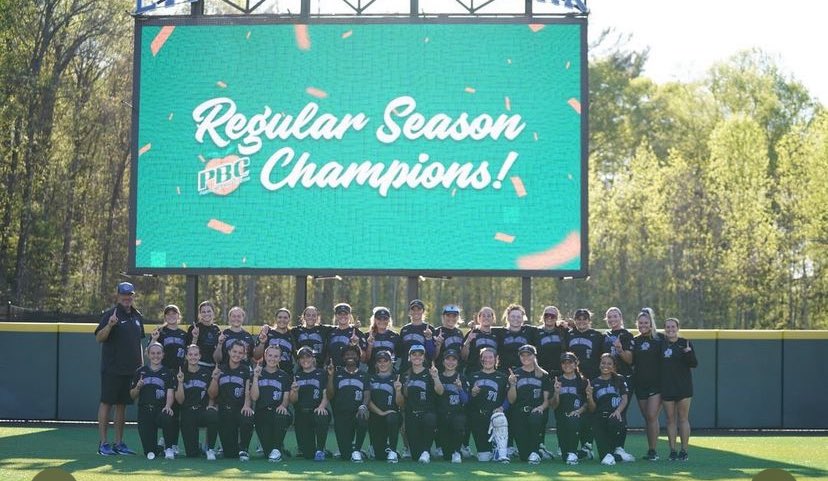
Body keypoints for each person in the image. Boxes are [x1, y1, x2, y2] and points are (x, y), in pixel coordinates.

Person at [95, 281, 145, 456]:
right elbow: (99, 338)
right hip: (112, 368)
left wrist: (141, 366)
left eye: (129, 294)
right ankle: (103, 444)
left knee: (122, 406)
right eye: (124, 294)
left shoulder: (137, 316)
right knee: (107, 403)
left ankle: (118, 443)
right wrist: (109, 325)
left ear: (133, 296)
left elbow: (138, 342)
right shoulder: (111, 314)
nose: (127, 298)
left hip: (131, 370)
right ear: (118, 296)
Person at [564, 308, 604, 459]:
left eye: (584, 318)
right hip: (573, 379)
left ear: (589, 320)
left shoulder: (598, 336)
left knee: (589, 412)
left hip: (591, 379)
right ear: (574, 320)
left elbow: (604, 358)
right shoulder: (569, 334)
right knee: (573, 410)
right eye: (578, 319)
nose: (581, 321)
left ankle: (587, 445)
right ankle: (570, 446)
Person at [150, 304, 188, 455]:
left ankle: (173, 443)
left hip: (178, 374)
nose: (171, 316)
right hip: (162, 374)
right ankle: (164, 439)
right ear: (165, 316)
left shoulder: (183, 334)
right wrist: (153, 340)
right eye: (168, 314)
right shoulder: (160, 332)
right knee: (164, 407)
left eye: (174, 314)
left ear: (179, 316)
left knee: (176, 410)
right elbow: (151, 351)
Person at [207, 341, 254, 461]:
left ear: (244, 355)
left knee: (247, 416)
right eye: (234, 351)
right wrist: (214, 379)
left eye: (240, 353)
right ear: (229, 352)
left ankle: (244, 449)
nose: (237, 355)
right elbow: (212, 394)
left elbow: (248, 391)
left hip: (238, 409)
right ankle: (221, 447)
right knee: (230, 454)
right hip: (223, 411)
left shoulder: (246, 370)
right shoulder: (220, 369)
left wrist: (247, 405)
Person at [586, 353, 635, 466]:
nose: (605, 366)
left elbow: (625, 399)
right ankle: (619, 455)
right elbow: (592, 409)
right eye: (603, 363)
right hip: (599, 420)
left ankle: (615, 451)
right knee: (604, 458)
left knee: (615, 421)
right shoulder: (594, 383)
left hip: (614, 417)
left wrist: (618, 411)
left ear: (614, 366)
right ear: (599, 364)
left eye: (609, 363)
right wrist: (589, 396)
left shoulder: (620, 379)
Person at [130, 342, 176, 460]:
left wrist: (168, 405)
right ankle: (158, 448)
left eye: (158, 353)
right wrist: (138, 387)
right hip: (145, 411)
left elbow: (170, 393)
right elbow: (132, 395)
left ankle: (169, 448)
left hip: (160, 409)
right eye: (153, 353)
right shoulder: (140, 371)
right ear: (148, 355)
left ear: (163, 354)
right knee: (150, 452)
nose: (156, 356)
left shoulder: (168, 372)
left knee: (167, 415)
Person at [507, 345, 551, 464]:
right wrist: (512, 385)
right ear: (520, 357)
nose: (526, 357)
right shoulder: (515, 374)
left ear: (534, 356)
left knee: (535, 419)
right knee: (524, 456)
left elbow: (547, 400)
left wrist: (541, 408)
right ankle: (538, 451)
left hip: (536, 412)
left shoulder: (543, 375)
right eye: (523, 355)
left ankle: (536, 451)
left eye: (529, 355)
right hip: (519, 413)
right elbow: (511, 400)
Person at [661, 317, 697, 461]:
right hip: (667, 387)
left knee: (683, 419)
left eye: (673, 327)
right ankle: (672, 451)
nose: (671, 329)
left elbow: (694, 364)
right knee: (670, 420)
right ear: (664, 329)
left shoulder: (685, 343)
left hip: (683, 387)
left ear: (678, 328)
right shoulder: (661, 344)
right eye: (668, 327)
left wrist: (688, 352)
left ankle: (684, 450)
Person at [327, 344, 370, 463]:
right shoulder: (337, 374)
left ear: (358, 357)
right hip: (341, 415)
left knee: (362, 416)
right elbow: (330, 395)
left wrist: (363, 406)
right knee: (345, 456)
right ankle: (350, 448)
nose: (350, 357)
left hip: (357, 413)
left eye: (353, 354)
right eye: (347, 355)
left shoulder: (364, 375)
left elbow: (367, 394)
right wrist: (330, 376)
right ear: (343, 358)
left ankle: (357, 450)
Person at [175, 344, 219, 460]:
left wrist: (214, 379)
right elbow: (180, 400)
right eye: (190, 354)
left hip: (202, 410)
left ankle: (209, 448)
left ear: (200, 356)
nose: (193, 357)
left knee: (213, 414)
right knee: (191, 454)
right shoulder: (181, 373)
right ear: (186, 356)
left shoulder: (206, 372)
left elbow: (212, 394)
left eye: (196, 354)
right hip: (187, 412)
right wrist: (180, 382)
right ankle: (197, 447)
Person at [250, 345, 293, 462]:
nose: (272, 359)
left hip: (277, 413)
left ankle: (277, 448)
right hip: (262, 414)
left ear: (280, 359)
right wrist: (255, 377)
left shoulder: (284, 376)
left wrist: (283, 406)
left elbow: (286, 398)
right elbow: (254, 397)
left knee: (282, 414)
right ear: (265, 356)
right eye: (270, 355)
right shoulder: (258, 373)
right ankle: (278, 449)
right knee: (268, 453)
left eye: (276, 356)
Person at [400, 344, 441, 463]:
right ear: (409, 357)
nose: (417, 357)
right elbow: (402, 401)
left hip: (427, 412)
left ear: (424, 357)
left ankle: (427, 450)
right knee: (415, 456)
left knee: (430, 418)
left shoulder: (430, 373)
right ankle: (423, 451)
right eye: (414, 354)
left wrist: (436, 378)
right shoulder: (405, 375)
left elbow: (440, 391)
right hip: (412, 414)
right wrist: (398, 390)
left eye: (420, 354)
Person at [466, 347, 509, 462]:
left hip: (494, 416)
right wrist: (472, 394)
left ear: (496, 359)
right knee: (484, 457)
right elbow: (466, 401)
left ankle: (501, 451)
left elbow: (508, 398)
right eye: (484, 357)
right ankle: (493, 451)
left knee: (500, 418)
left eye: (490, 357)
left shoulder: (503, 377)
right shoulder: (472, 376)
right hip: (478, 417)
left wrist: (502, 407)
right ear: (481, 360)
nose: (487, 360)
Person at [632, 307, 663, 461]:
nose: (643, 325)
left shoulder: (660, 339)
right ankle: (651, 450)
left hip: (656, 385)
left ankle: (653, 450)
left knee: (651, 416)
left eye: (646, 322)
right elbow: (630, 361)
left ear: (651, 323)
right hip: (640, 384)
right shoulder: (635, 340)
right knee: (648, 418)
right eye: (640, 323)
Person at [602, 307, 634, 455]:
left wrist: (620, 349)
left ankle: (619, 448)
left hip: (623, 379)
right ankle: (609, 447)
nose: (612, 319)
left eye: (615, 316)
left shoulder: (626, 335)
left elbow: (630, 359)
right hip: (606, 379)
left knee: (621, 412)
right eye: (609, 317)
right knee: (607, 412)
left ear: (621, 317)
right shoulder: (605, 335)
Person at [290, 345, 331, 461]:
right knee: (308, 454)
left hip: (316, 411)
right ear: (298, 360)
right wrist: (294, 391)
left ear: (313, 358)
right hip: (302, 415)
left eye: (308, 357)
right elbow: (293, 401)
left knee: (321, 415)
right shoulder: (296, 375)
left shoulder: (321, 373)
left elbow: (326, 393)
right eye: (302, 358)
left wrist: (322, 406)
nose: (305, 360)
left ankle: (321, 449)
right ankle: (314, 449)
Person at [367, 350, 404, 463]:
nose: (383, 364)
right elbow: (367, 401)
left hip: (391, 417)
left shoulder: (397, 378)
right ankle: (378, 447)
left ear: (390, 363)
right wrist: (380, 412)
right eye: (380, 361)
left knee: (392, 416)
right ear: (376, 364)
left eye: (385, 361)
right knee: (380, 456)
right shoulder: (370, 378)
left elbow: (401, 404)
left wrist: (398, 391)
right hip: (375, 416)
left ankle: (392, 450)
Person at [552, 352, 588, 465]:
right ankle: (583, 452)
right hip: (562, 419)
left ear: (576, 363)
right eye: (564, 362)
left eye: (570, 362)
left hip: (578, 418)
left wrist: (578, 411)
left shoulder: (582, 381)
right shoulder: (557, 381)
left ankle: (574, 452)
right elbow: (553, 405)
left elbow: (587, 403)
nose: (567, 365)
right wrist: (556, 393)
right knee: (564, 456)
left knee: (570, 453)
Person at [435, 348, 468, 463]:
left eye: (454, 360)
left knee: (459, 424)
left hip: (457, 413)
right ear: (443, 362)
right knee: (446, 456)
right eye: (448, 359)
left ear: (457, 362)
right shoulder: (437, 376)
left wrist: (460, 389)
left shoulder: (461, 377)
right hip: (442, 414)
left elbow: (465, 400)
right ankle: (450, 451)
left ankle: (457, 451)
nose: (450, 362)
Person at [253, 308, 296, 373]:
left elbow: (297, 357)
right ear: (275, 319)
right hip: (268, 373)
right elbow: (256, 356)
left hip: (286, 374)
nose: (282, 320)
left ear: (289, 320)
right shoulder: (267, 332)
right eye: (280, 317)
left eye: (285, 318)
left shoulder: (292, 335)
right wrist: (262, 343)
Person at [398, 299, 436, 373]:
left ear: (423, 311)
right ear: (409, 312)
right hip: (406, 367)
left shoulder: (429, 328)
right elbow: (400, 351)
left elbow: (432, 354)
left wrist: (429, 339)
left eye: (419, 309)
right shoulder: (404, 329)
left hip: (423, 368)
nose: (416, 312)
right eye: (413, 309)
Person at [497, 304, 537, 373]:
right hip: (504, 371)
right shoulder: (500, 332)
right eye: (513, 316)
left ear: (522, 319)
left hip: (524, 372)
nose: (516, 319)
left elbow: (545, 328)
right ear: (508, 318)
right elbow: (483, 328)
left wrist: (559, 324)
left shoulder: (529, 330)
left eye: (519, 317)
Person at [461, 307, 500, 375]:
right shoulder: (472, 332)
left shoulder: (497, 334)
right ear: (479, 318)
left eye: (489, 316)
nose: (486, 318)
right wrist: (468, 341)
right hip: (473, 372)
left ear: (493, 319)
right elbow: (463, 357)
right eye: (483, 316)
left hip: (491, 373)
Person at [326, 303, 365, 368]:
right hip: (333, 372)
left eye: (345, 314)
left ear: (350, 315)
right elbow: (327, 355)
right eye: (340, 314)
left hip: (351, 373)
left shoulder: (357, 333)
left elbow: (364, 359)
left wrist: (357, 345)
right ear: (335, 315)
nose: (343, 316)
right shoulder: (330, 332)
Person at [363, 307, 402, 372]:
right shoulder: (367, 336)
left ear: (389, 320)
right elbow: (365, 360)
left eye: (385, 318)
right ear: (374, 320)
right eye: (379, 318)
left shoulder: (395, 336)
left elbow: (399, 357)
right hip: (372, 372)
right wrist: (370, 345)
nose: (382, 321)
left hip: (390, 373)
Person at [187, 301, 221, 368]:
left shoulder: (216, 328)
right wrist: (195, 337)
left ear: (213, 313)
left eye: (209, 311)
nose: (206, 314)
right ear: (200, 314)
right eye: (203, 312)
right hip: (198, 366)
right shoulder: (194, 328)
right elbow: (189, 350)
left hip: (212, 367)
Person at [433, 305, 465, 369]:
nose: (451, 318)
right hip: (442, 371)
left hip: (458, 370)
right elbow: (433, 357)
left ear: (458, 318)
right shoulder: (437, 332)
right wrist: (438, 345)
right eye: (448, 316)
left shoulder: (459, 333)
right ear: (443, 317)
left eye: (454, 316)